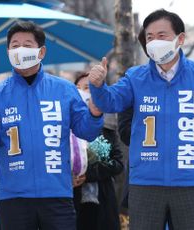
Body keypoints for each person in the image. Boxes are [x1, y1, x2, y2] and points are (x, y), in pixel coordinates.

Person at [88, 9, 194, 230]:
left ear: (180, 38)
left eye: (162, 36)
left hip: (190, 181)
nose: (155, 42)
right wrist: (98, 85)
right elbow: (109, 102)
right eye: (150, 37)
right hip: (145, 183)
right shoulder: (135, 77)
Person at [0, 21, 103, 230]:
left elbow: (87, 131)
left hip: (57, 195)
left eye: (27, 45)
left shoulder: (64, 89)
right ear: (8, 51)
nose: (20, 50)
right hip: (13, 198)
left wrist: (95, 112)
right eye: (15, 45)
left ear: (41, 51)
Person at [72, 73, 124, 230]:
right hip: (72, 202)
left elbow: (118, 164)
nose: (82, 92)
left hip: (103, 202)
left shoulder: (107, 128)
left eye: (87, 88)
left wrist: (87, 174)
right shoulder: (67, 129)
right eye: (77, 89)